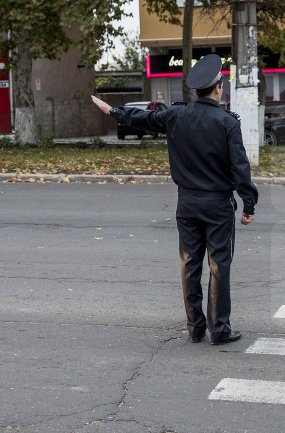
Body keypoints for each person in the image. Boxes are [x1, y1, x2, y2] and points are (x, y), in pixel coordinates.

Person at [91, 54, 258, 345]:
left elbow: (142, 120)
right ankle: (220, 330)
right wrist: (249, 203)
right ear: (218, 88)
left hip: (187, 203)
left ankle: (195, 328)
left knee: (189, 264)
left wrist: (114, 112)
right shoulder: (227, 123)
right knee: (219, 265)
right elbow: (239, 167)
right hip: (218, 205)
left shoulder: (176, 115)